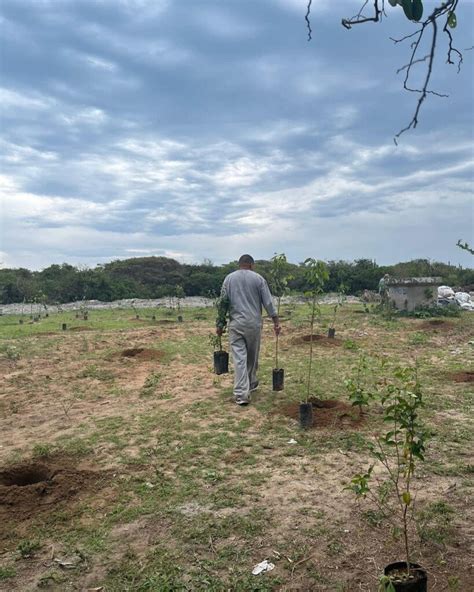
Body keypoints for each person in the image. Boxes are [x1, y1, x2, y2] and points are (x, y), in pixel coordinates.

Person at [216, 254, 281, 406]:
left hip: (236, 324)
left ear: (240, 264)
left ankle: (242, 393)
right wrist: (276, 321)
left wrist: (220, 324)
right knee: (252, 356)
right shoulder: (258, 279)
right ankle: (249, 385)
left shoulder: (229, 279)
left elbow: (222, 303)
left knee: (239, 359)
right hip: (254, 324)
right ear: (252, 265)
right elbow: (268, 302)